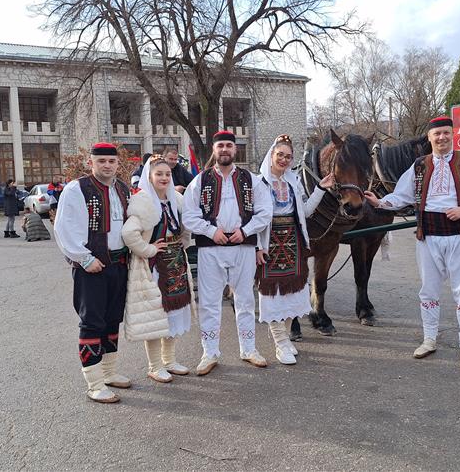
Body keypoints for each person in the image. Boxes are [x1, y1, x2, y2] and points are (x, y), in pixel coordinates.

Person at [366, 116, 460, 368]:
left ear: (452, 134)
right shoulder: (419, 165)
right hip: (429, 235)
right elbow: (401, 195)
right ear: (430, 138)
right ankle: (429, 339)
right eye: (437, 134)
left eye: (445, 133)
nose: (441, 138)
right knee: (428, 291)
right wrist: (379, 202)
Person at [182, 130, 273, 375]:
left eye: (229, 146)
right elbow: (188, 215)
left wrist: (246, 231)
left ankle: (249, 349)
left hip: (243, 248)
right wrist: (211, 231)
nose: (224, 150)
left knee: (244, 299)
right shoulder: (200, 181)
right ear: (214, 149)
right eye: (220, 145)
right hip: (211, 249)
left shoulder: (251, 180)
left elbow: (265, 211)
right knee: (210, 302)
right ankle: (209, 352)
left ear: (235, 150)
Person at [54, 142, 132, 404]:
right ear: (91, 163)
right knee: (92, 322)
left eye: (111, 161)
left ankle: (109, 373)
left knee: (112, 320)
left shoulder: (122, 188)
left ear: (117, 164)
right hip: (92, 267)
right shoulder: (78, 189)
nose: (107, 166)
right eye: (101, 161)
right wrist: (85, 259)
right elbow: (64, 227)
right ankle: (95, 383)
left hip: (119, 264)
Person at [256, 134, 333, 365]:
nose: (284, 159)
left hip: (293, 243)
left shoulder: (293, 182)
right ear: (272, 155)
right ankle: (280, 343)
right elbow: (252, 219)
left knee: (291, 294)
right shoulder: (259, 183)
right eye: (280, 155)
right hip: (269, 244)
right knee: (273, 296)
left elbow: (306, 211)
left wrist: (320, 188)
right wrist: (258, 247)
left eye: (288, 157)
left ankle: (285, 339)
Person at [122, 155, 193, 382]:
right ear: (149, 177)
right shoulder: (143, 201)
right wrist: (148, 249)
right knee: (155, 315)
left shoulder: (177, 200)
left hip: (176, 264)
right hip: (153, 267)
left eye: (167, 174)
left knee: (173, 313)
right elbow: (129, 233)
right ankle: (154, 366)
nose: (164, 178)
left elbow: (186, 224)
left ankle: (169, 360)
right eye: (158, 174)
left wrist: (185, 239)